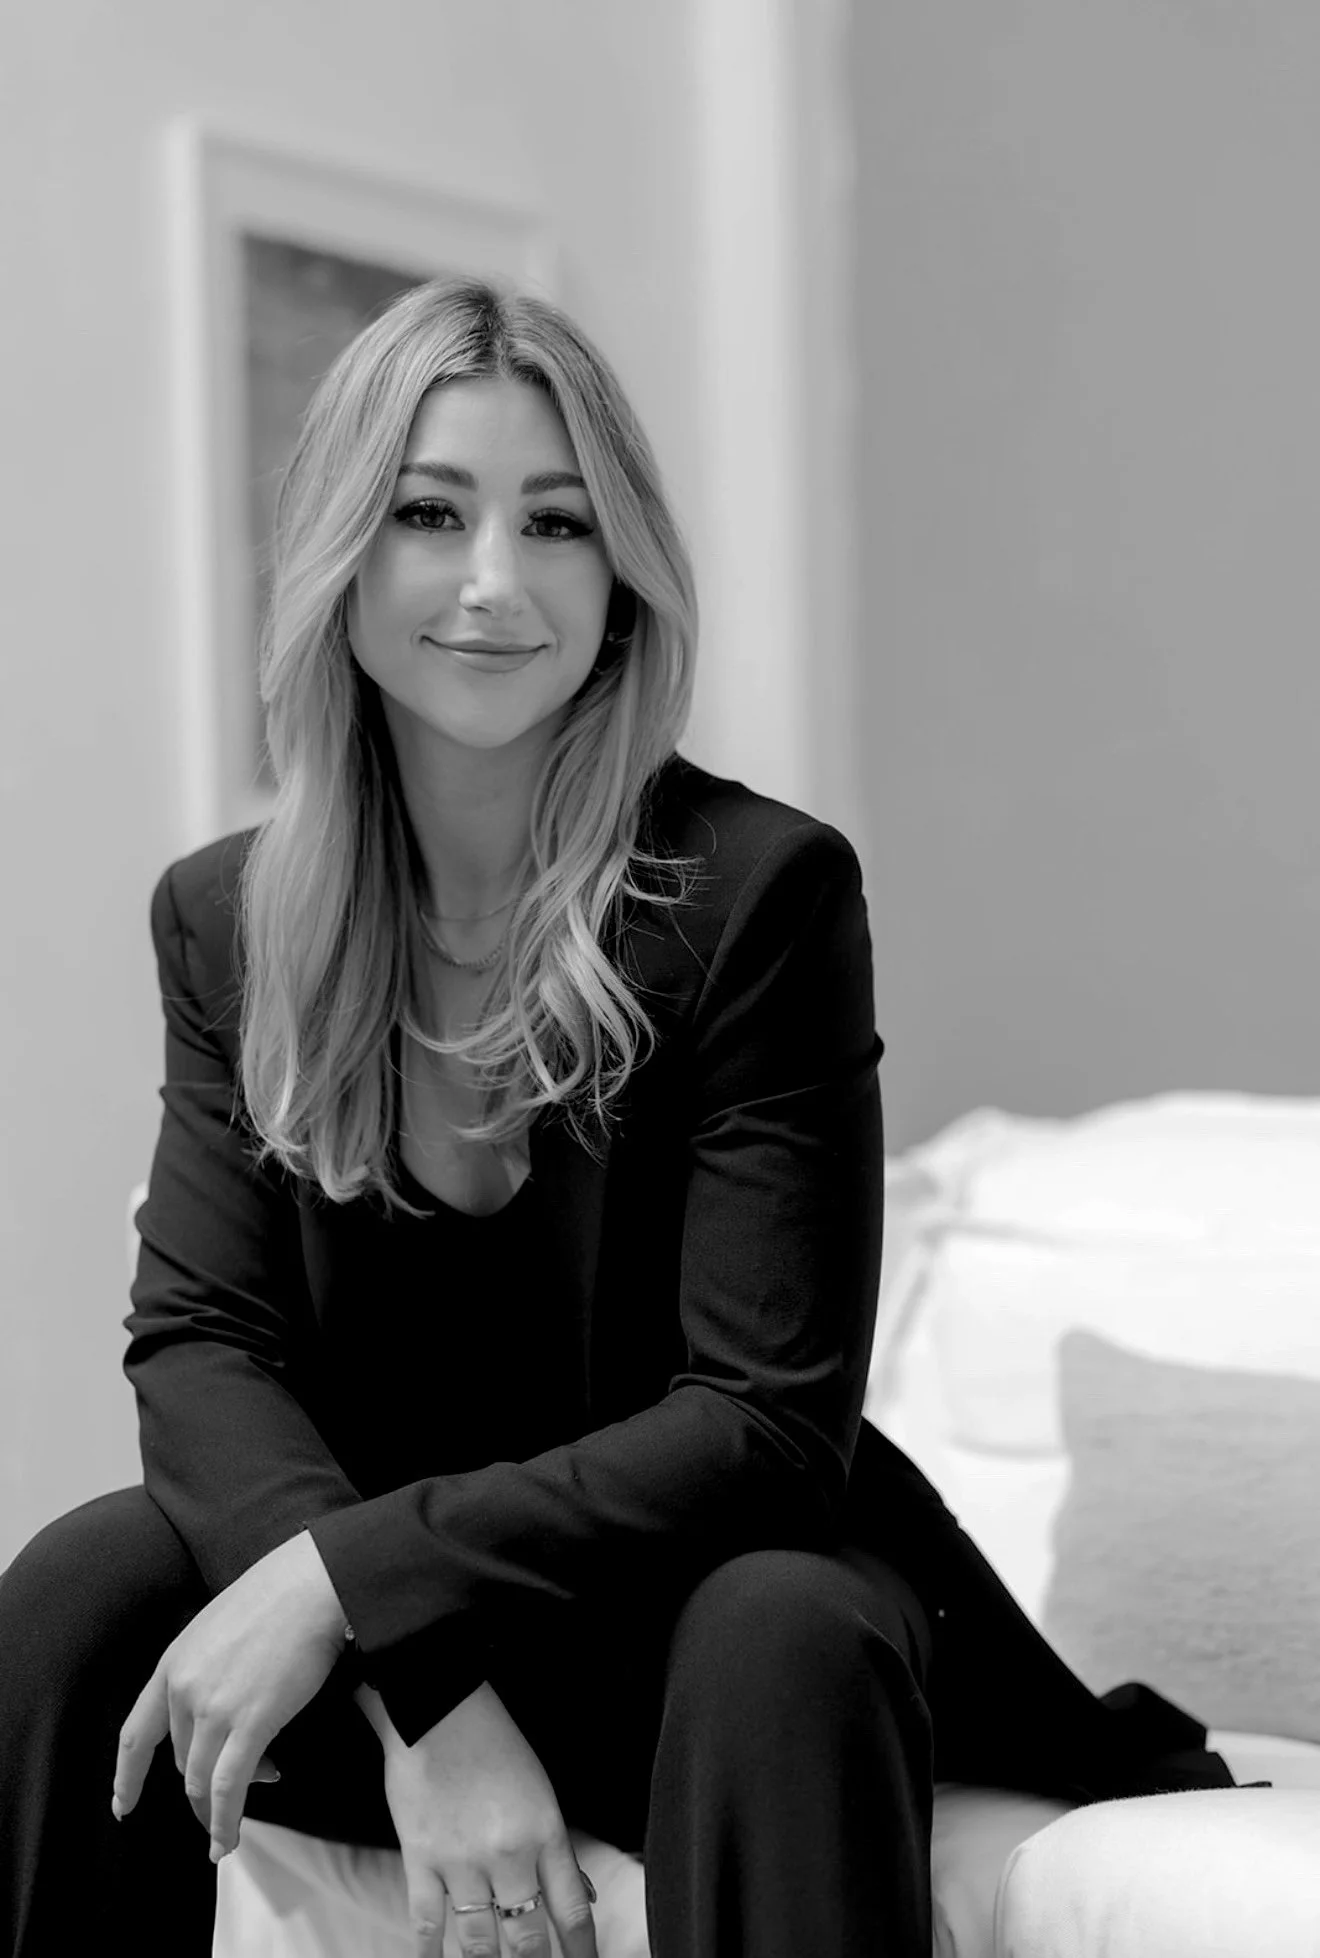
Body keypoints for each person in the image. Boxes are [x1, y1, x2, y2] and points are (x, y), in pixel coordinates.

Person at [0, 276, 1237, 1958]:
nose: (494, 582)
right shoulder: (228, 916)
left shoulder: (759, 895)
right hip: (419, 1651)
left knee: (783, 1623)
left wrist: (345, 1587)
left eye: (557, 523)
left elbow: (760, 1419)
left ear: (622, 579)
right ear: (341, 559)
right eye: (430, 512)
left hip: (698, 1618)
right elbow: (203, 1341)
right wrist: (422, 1687)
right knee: (86, 1591)